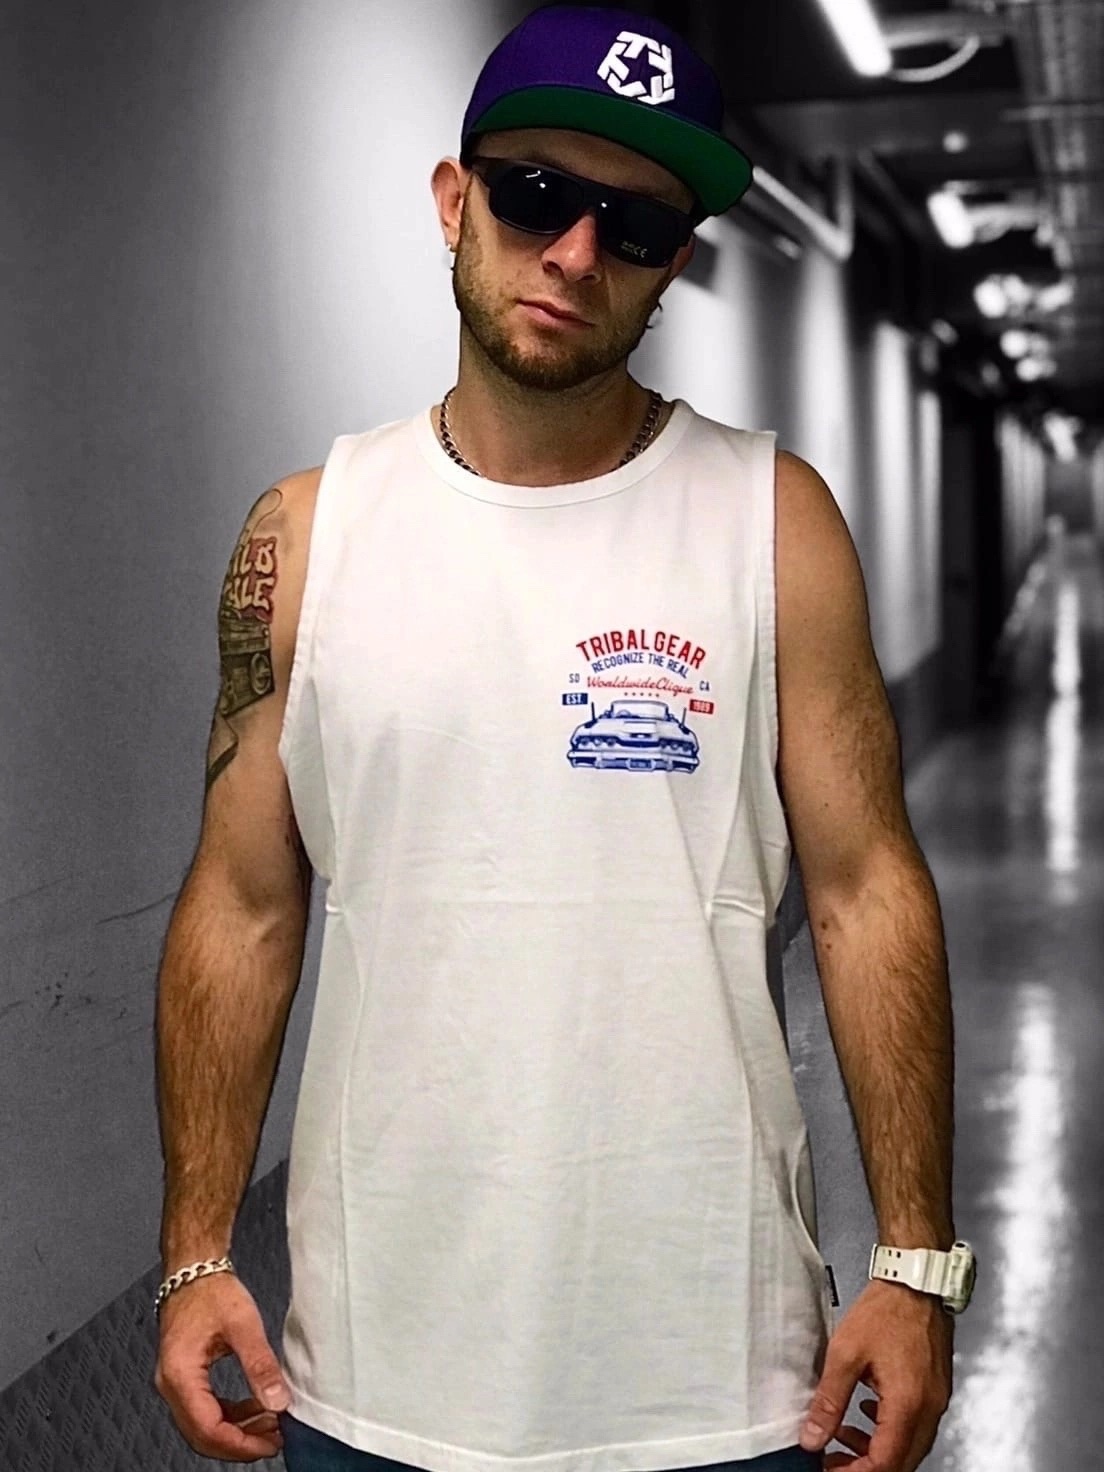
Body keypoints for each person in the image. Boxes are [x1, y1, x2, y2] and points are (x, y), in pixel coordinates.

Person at [153, 7, 970, 1472]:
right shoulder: (310, 536)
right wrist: (195, 1248)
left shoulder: (772, 522)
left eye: (636, 225)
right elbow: (242, 902)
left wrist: (916, 1266)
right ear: (453, 202)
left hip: (716, 1388)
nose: (578, 254)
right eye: (536, 194)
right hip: (376, 1382)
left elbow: (867, 892)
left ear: (675, 264)